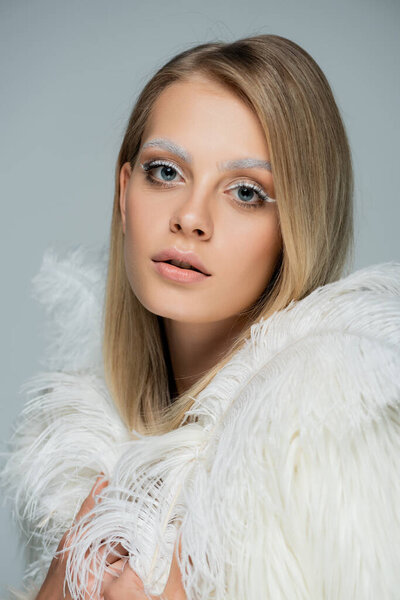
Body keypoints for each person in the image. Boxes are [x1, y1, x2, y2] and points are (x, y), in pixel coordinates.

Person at [1, 33, 400, 600]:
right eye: (166, 172)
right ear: (123, 193)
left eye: (245, 191)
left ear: (298, 225)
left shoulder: (330, 438)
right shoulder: (69, 461)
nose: (190, 217)